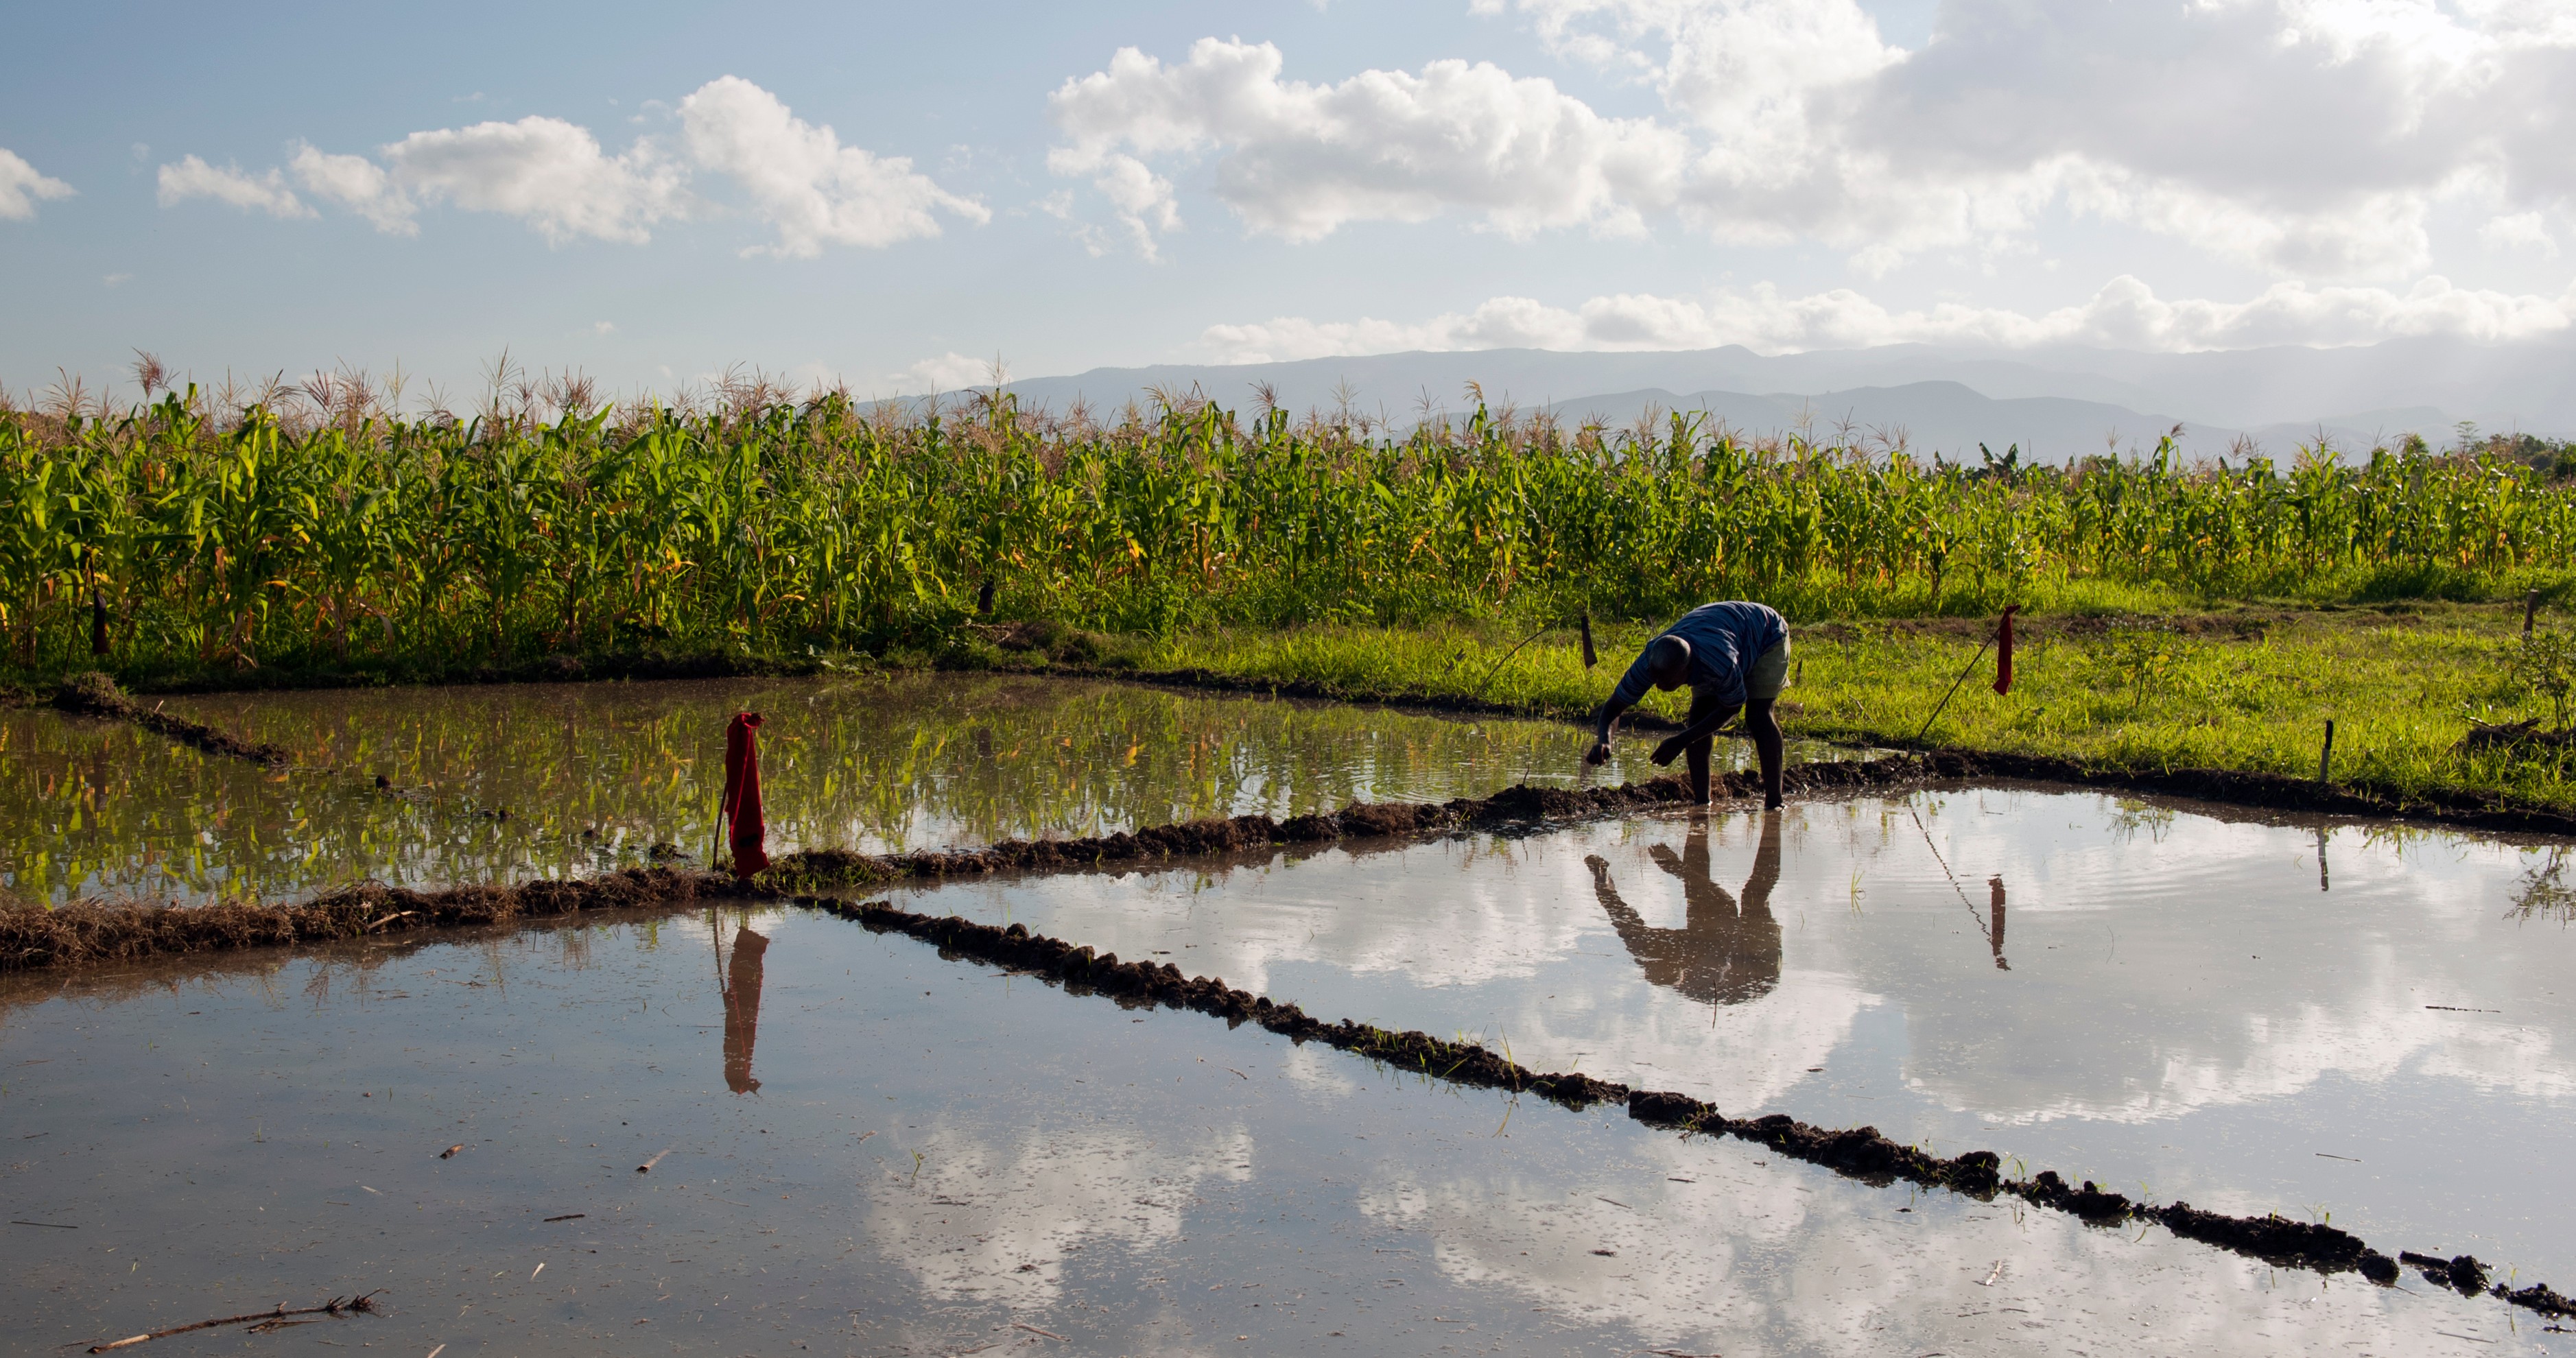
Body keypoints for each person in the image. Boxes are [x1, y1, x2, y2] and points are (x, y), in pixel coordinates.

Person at [1585, 600, 1789, 807]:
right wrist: (1605, 740)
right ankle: (1702, 801)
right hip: (1718, 632)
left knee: (1758, 716)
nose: (1661, 687)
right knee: (1699, 717)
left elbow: (1733, 706)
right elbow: (1614, 706)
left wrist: (1680, 741)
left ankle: (1775, 801)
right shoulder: (1650, 660)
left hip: (1766, 633)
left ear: (1687, 670)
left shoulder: (1719, 663)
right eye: (1657, 679)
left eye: (1669, 681)